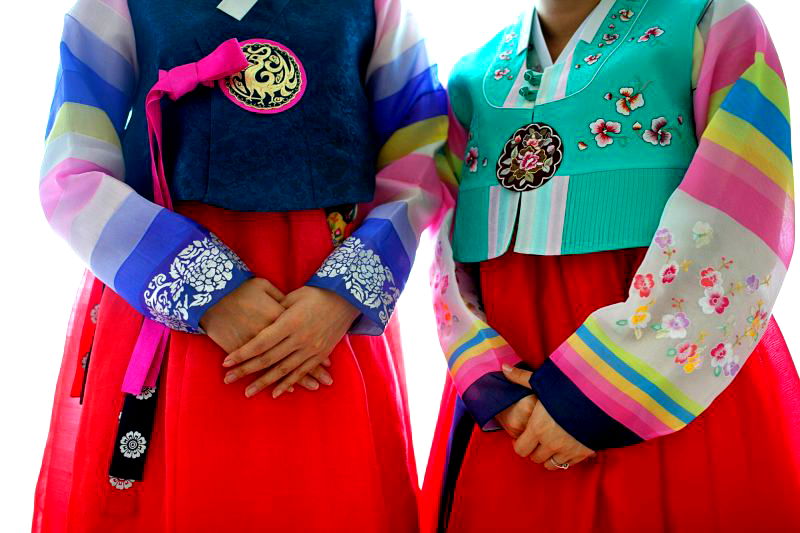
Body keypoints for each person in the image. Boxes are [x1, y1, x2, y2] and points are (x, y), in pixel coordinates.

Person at [34, 0, 449, 531]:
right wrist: (207, 290)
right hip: (168, 289)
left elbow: (423, 151)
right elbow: (72, 169)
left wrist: (342, 294)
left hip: (325, 309)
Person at [422, 0, 800, 530]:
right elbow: (445, 250)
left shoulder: (712, 22)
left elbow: (746, 212)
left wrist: (593, 399)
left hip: (669, 383)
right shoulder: (472, 75)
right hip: (516, 405)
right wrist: (488, 380)